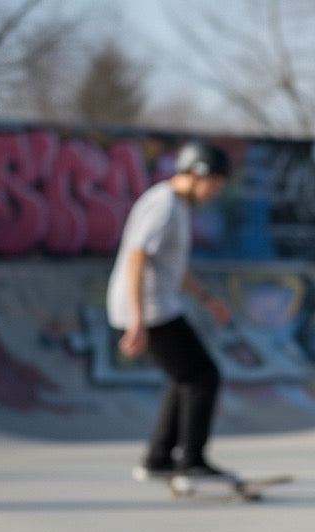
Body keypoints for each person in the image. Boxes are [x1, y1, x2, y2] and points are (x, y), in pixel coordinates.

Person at [106, 140, 233, 481]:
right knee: (203, 374)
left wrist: (207, 298)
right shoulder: (163, 205)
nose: (215, 192)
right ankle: (190, 461)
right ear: (195, 174)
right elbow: (136, 257)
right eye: (214, 184)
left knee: (187, 376)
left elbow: (172, 268)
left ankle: (159, 458)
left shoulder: (175, 205)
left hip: (155, 307)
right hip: (149, 310)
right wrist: (135, 319)